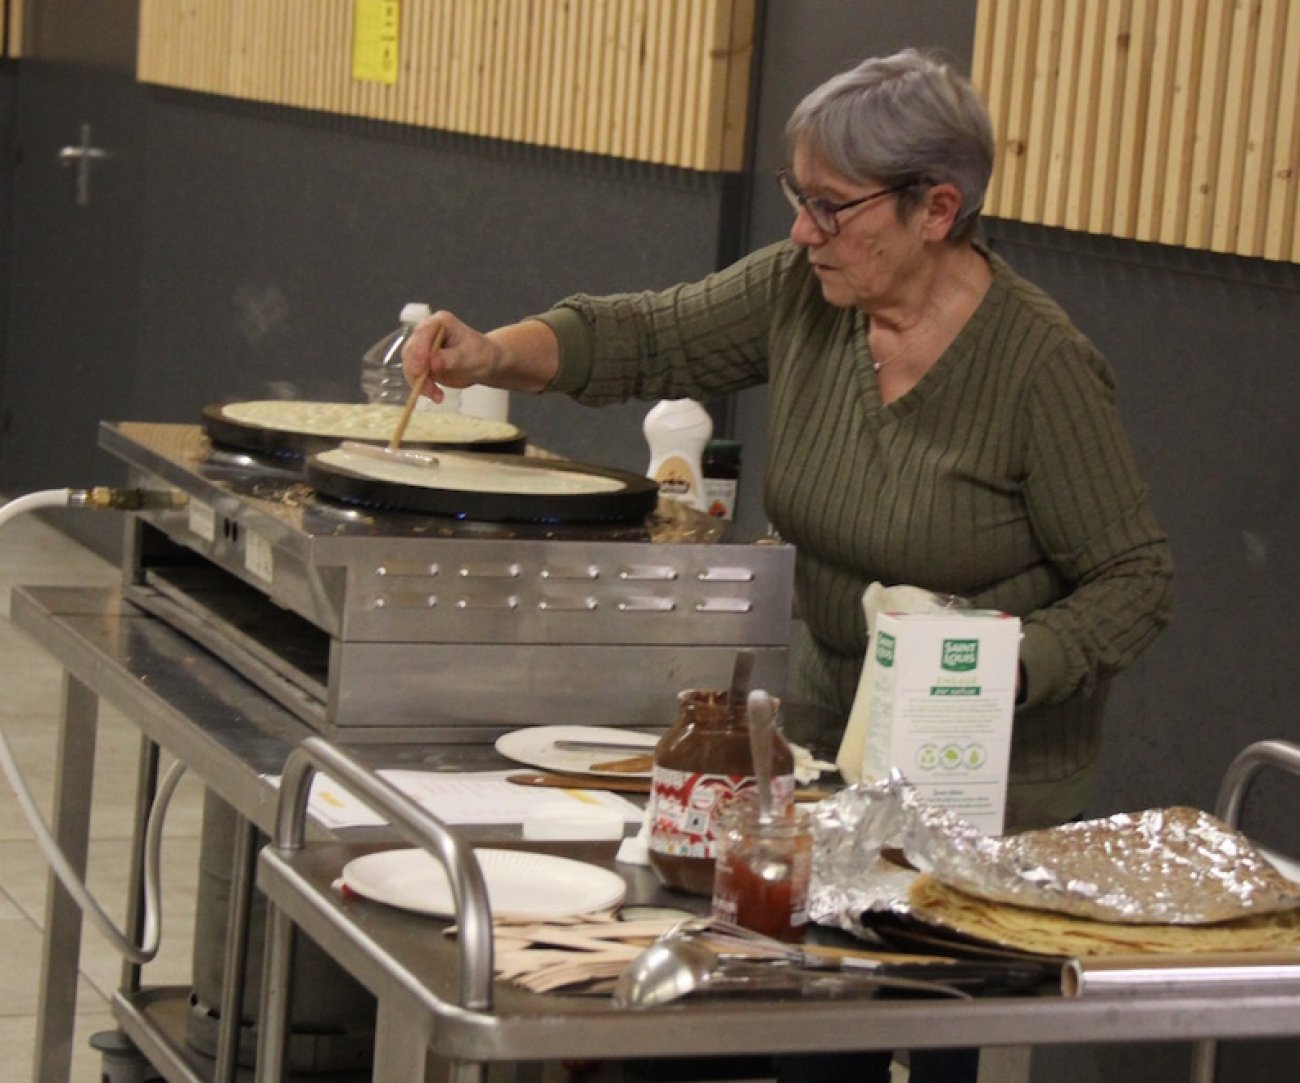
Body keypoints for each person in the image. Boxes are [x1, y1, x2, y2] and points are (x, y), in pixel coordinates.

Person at [403, 48, 1174, 1081]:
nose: (804, 230)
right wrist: (493, 352)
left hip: (981, 799)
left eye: (831, 207)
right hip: (828, 764)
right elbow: (648, 334)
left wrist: (1000, 668)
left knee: (932, 1043)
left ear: (937, 209)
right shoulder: (804, 295)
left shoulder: (1040, 368)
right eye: (797, 198)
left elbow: (1136, 578)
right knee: (812, 1038)